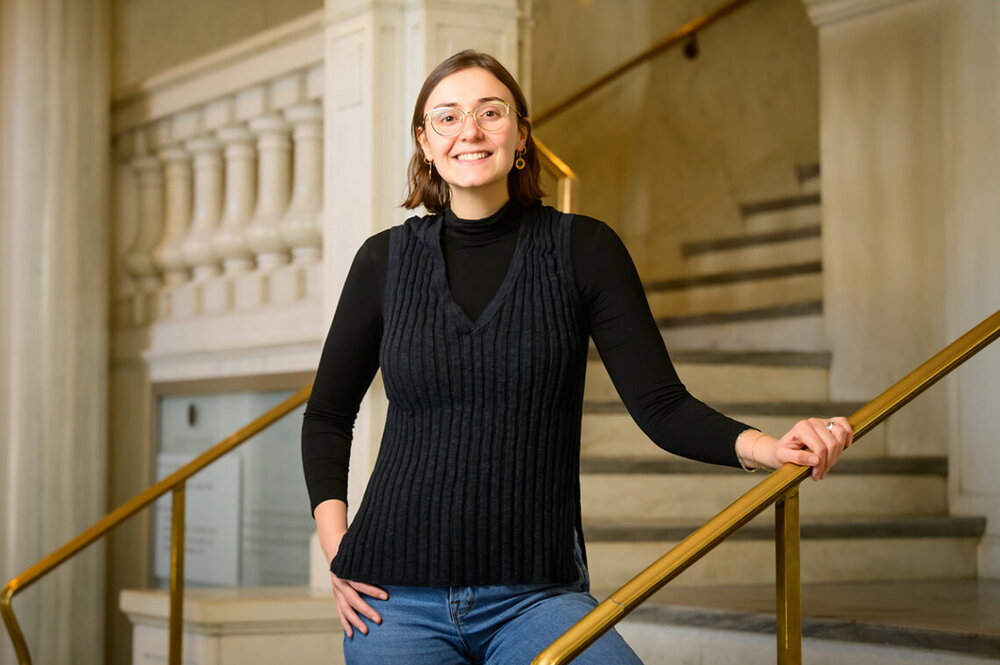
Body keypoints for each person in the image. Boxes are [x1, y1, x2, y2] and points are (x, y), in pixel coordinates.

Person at [301, 49, 853, 664]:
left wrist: (769, 448)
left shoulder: (583, 249)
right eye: (447, 118)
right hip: (392, 594)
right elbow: (326, 414)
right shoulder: (384, 261)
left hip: (535, 597)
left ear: (521, 134)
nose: (470, 132)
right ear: (424, 142)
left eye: (490, 112)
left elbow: (661, 406)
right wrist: (338, 548)